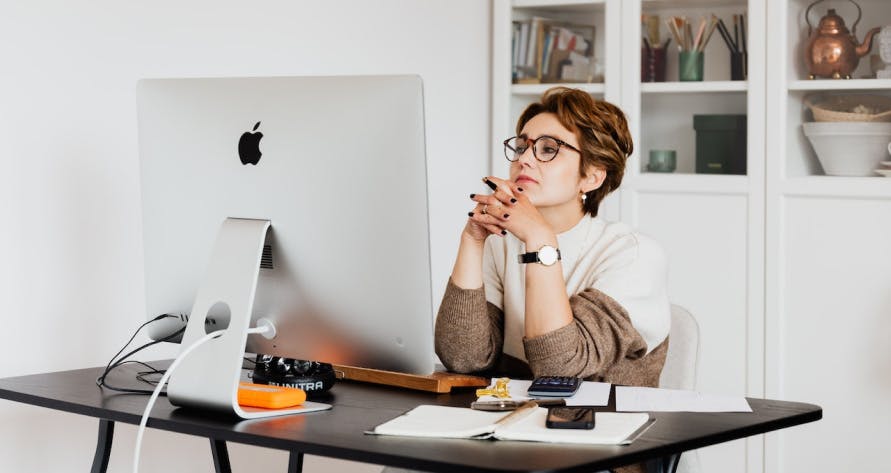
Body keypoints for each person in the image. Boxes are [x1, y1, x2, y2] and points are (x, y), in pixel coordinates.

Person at [435, 87, 671, 388]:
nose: (525, 160)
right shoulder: (502, 243)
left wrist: (540, 238)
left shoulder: (635, 255)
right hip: (513, 422)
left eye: (548, 149)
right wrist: (472, 238)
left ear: (592, 177)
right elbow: (463, 358)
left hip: (601, 426)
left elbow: (559, 369)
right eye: (522, 147)